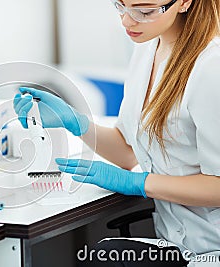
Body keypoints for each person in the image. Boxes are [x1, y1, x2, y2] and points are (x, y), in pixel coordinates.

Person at [13, 0, 220, 266]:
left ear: (183, 3)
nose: (127, 21)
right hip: (177, 243)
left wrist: (138, 183)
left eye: (144, 11)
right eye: (121, 6)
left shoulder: (211, 67)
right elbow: (127, 151)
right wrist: (77, 123)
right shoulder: (147, 48)